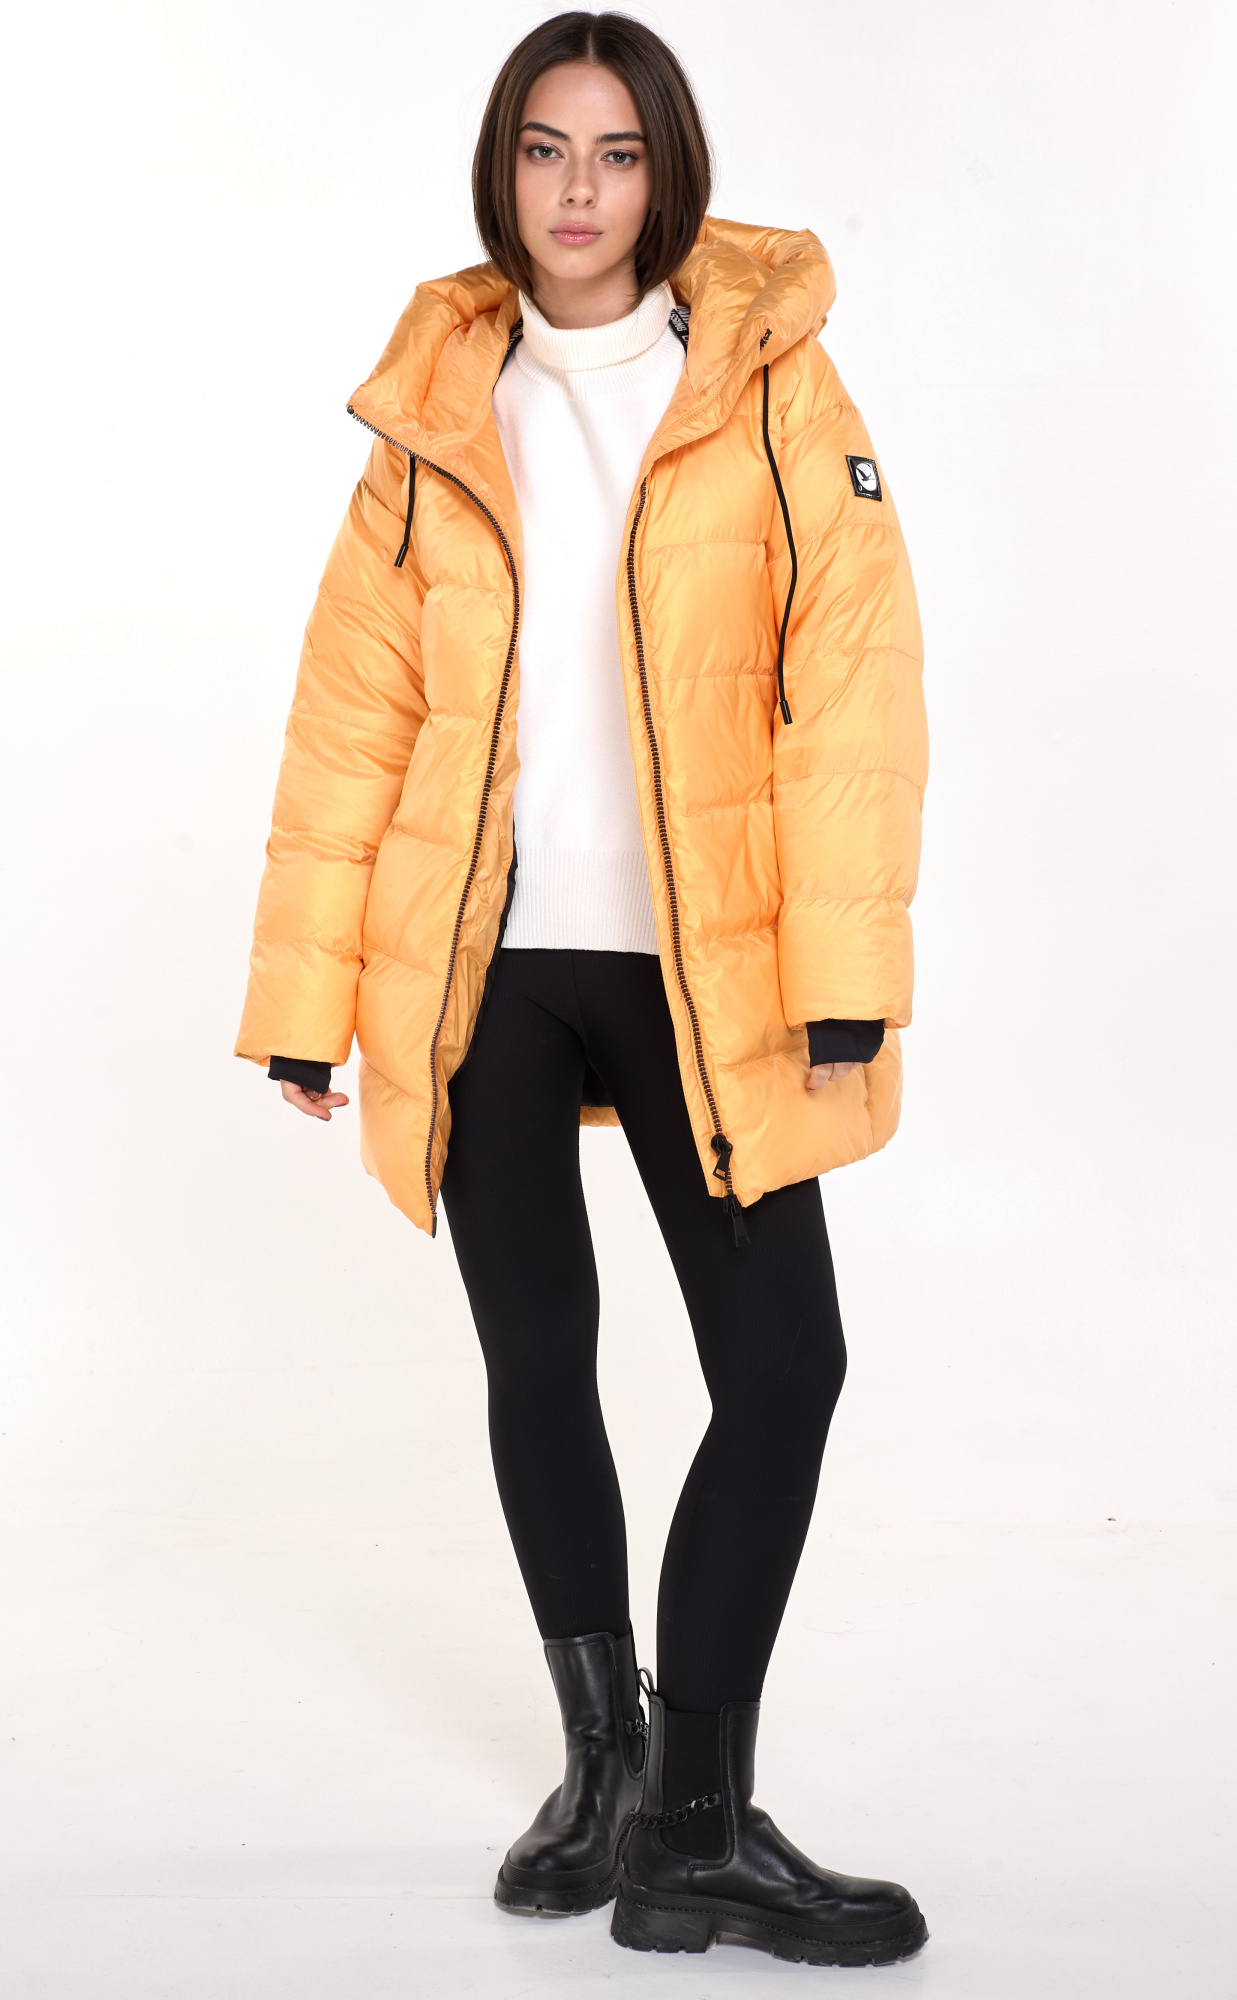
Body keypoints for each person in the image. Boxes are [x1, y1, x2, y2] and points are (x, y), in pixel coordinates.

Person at [236, 10, 928, 1970]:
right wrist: (303, 994)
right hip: (494, 970)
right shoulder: (437, 404)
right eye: (546, 150)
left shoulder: (773, 380)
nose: (578, 192)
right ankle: (610, 1773)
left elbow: (857, 677)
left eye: (616, 154)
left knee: (782, 1367)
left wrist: (846, 970)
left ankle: (700, 1820)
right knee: (538, 1355)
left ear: (665, 174)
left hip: (710, 961)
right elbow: (353, 715)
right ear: (503, 168)